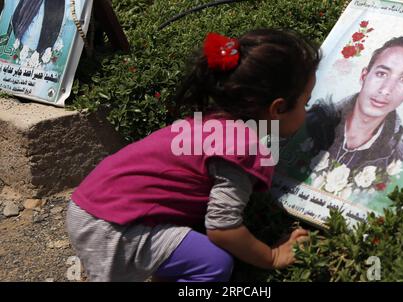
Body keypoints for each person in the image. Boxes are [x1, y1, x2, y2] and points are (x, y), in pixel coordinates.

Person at [65, 29, 321, 282]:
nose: (307, 112)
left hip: (92, 207)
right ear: (277, 108)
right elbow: (222, 228)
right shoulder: (243, 148)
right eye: (305, 103)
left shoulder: (214, 122)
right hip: (112, 226)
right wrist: (272, 256)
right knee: (213, 264)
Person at [306, 34, 403, 178]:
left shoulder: (399, 158)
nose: (386, 89)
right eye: (381, 73)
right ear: (364, 76)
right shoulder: (309, 121)